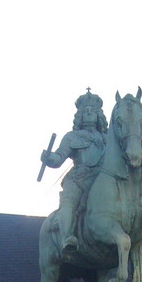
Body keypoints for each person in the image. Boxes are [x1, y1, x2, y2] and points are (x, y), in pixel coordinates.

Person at [40, 90, 108, 255]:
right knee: (69, 204)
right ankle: (67, 237)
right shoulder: (72, 137)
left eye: (93, 111)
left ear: (99, 115)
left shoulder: (108, 138)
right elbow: (59, 158)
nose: (89, 114)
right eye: (86, 111)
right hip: (79, 178)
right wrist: (49, 158)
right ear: (80, 116)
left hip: (103, 180)